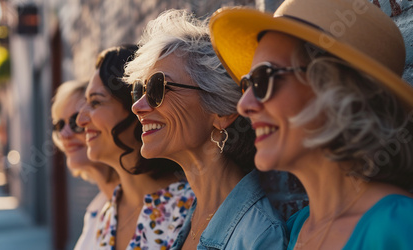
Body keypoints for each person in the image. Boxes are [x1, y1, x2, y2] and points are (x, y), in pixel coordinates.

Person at [209, 0, 413, 249]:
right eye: (247, 85)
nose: (244, 104)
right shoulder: (292, 230)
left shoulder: (407, 230)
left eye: (264, 79)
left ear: (341, 91)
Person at [127, 10, 287, 250]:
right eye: (141, 90)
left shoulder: (257, 235)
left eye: (157, 88)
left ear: (222, 112)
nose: (138, 106)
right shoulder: (187, 215)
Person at [77, 45, 195, 250]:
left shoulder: (190, 207)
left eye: (95, 103)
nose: (80, 120)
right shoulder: (106, 213)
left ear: (134, 108)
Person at [51, 79, 120, 250]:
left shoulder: (152, 206)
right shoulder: (96, 211)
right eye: (60, 125)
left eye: (75, 122)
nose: (65, 134)